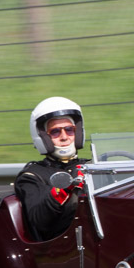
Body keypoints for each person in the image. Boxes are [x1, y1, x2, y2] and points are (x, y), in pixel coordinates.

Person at [15, 97, 86, 241]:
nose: (64, 137)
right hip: (62, 249)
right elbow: (39, 219)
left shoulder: (91, 167)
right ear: (43, 137)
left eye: (69, 130)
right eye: (55, 132)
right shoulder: (32, 175)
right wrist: (65, 189)